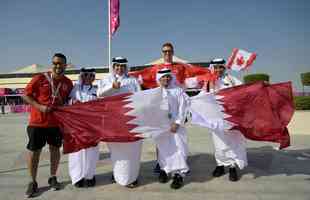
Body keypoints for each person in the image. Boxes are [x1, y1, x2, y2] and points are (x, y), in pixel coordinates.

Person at [22, 53, 73, 198]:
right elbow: (25, 95)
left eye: (61, 64)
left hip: (56, 124)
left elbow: (69, 101)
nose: (58, 66)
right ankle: (32, 181)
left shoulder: (68, 83)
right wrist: (39, 106)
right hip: (37, 123)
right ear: (52, 64)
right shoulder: (40, 78)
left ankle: (53, 177)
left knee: (55, 150)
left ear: (65, 65)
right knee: (34, 152)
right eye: (55, 63)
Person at [97, 56, 142, 188]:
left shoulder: (132, 81)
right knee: (115, 149)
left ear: (126, 67)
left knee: (132, 150)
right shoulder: (106, 80)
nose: (119, 68)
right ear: (113, 66)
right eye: (117, 66)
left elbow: (139, 97)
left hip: (130, 120)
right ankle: (118, 174)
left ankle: (132, 176)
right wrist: (111, 87)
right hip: (113, 121)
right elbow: (99, 94)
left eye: (122, 66)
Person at [209, 58, 247, 182]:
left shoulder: (231, 79)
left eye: (221, 67)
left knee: (232, 142)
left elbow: (244, 91)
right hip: (215, 117)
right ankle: (220, 165)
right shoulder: (209, 81)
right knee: (218, 142)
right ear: (212, 68)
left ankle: (232, 167)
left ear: (224, 68)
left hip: (230, 117)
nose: (218, 69)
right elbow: (203, 96)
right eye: (216, 67)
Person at [154, 68, 190, 189]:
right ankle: (165, 170)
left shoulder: (178, 90)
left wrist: (178, 122)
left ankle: (178, 175)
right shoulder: (155, 92)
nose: (166, 79)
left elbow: (183, 108)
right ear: (159, 79)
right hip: (161, 127)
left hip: (176, 126)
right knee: (164, 150)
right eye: (163, 77)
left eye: (168, 76)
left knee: (179, 148)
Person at [68, 68, 99, 188]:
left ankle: (90, 176)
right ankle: (77, 177)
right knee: (77, 153)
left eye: (91, 75)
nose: (88, 77)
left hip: (92, 127)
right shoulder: (75, 88)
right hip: (77, 126)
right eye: (86, 75)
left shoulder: (97, 90)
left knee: (92, 152)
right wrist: (73, 102)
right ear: (82, 76)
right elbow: (67, 102)